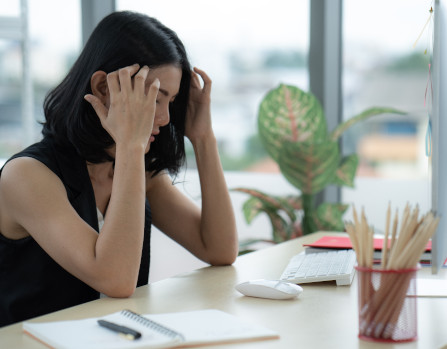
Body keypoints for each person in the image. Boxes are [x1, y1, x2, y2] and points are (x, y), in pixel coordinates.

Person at [0, 11, 238, 327]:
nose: (166, 118)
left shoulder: (137, 172)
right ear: (102, 87)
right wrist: (130, 145)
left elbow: (219, 249)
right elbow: (115, 279)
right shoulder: (26, 176)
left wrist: (203, 137)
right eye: (155, 98)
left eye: (173, 101)